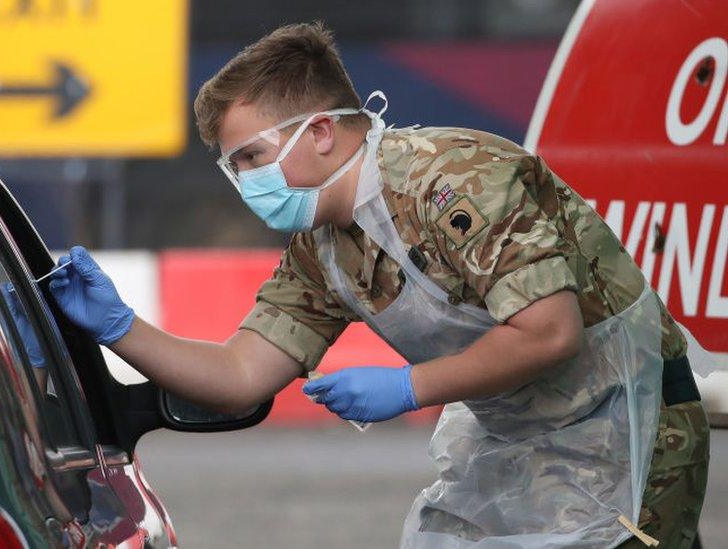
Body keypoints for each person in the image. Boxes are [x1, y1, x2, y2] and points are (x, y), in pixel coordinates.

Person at [48, 22, 708, 548]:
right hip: (525, 445)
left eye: (250, 157)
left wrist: (408, 387)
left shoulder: (450, 178)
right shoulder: (323, 249)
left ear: (323, 133)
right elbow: (240, 374)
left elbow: (551, 330)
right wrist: (119, 327)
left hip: (630, 433)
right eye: (233, 165)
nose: (244, 180)